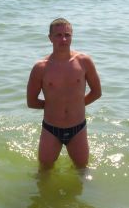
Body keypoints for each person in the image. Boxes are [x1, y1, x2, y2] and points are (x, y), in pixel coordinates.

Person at [27, 18, 102, 169]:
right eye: (58, 35)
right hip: (51, 129)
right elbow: (31, 102)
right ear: (50, 38)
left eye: (67, 35)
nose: (63, 39)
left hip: (78, 128)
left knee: (82, 170)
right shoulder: (40, 68)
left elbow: (97, 92)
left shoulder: (84, 61)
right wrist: (53, 106)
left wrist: (77, 105)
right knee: (44, 170)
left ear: (72, 36)